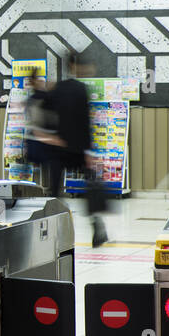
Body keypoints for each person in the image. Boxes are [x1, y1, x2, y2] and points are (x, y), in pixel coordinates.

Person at [38, 53, 109, 247]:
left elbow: (43, 109)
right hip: (78, 150)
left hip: (58, 148)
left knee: (54, 190)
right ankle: (97, 227)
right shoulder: (81, 89)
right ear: (75, 66)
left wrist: (50, 135)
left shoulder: (57, 88)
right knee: (90, 189)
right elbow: (87, 122)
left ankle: (51, 232)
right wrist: (89, 152)